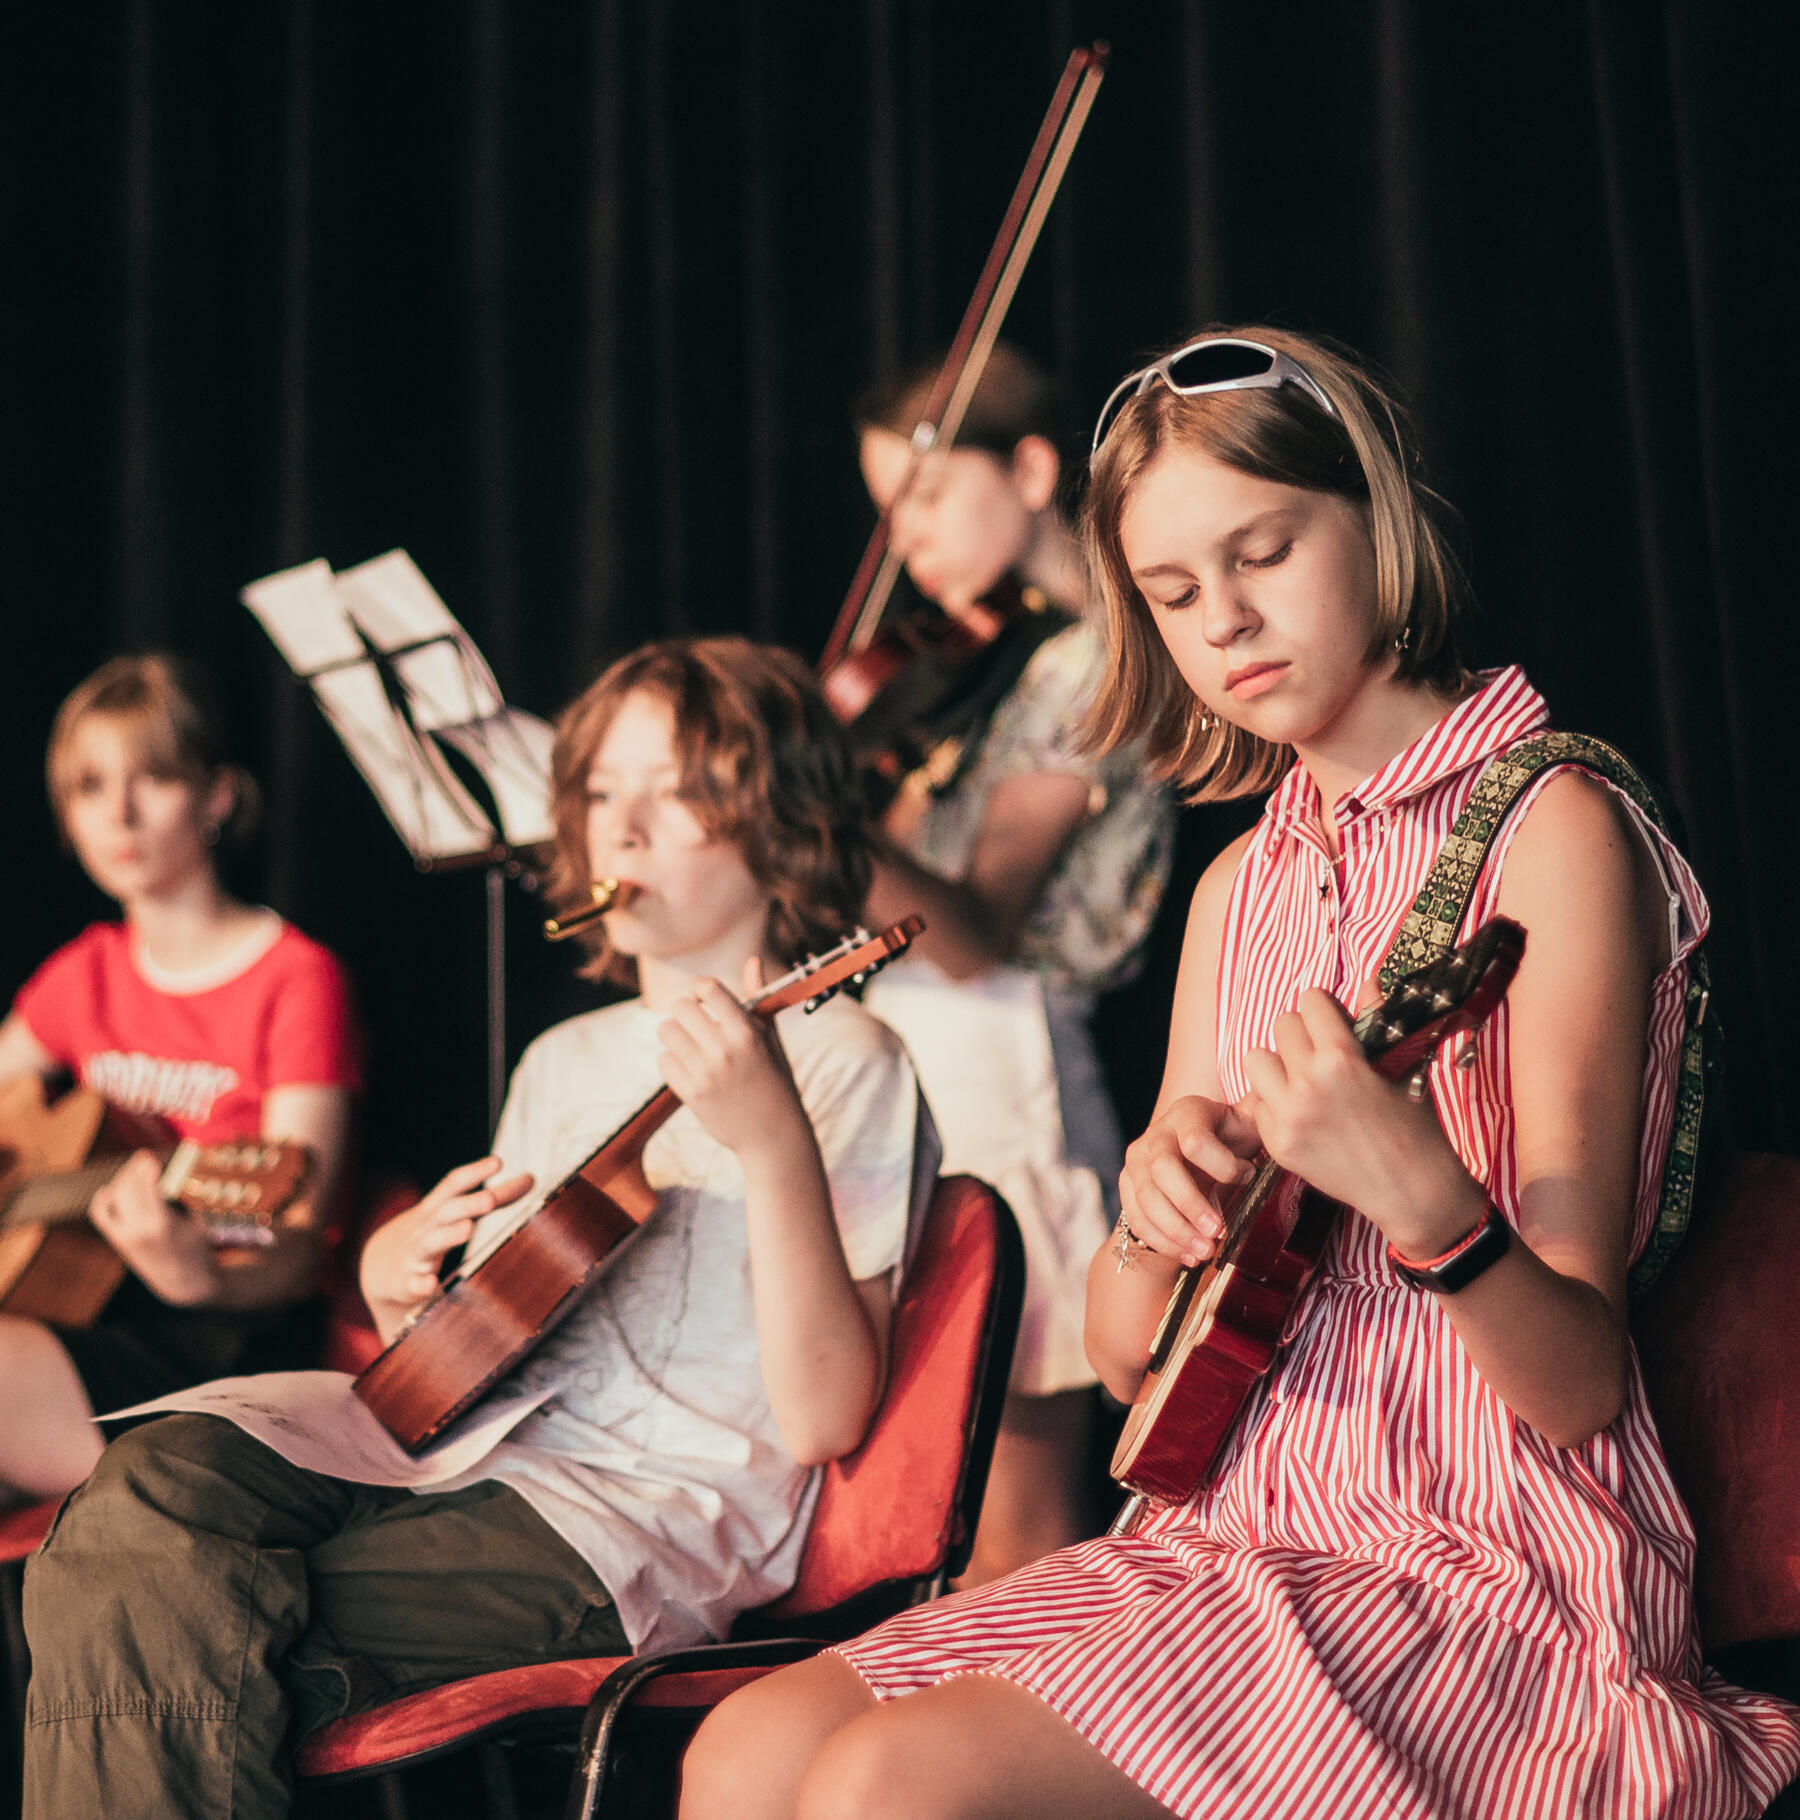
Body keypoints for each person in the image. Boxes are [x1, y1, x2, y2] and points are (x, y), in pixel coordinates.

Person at [679, 330, 1800, 1820]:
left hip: (1478, 1561)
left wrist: (1416, 1188)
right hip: (1227, 1530)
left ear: (1374, 521)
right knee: (743, 1754)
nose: (1227, 622)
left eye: (1262, 553)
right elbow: (1140, 1358)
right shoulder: (1239, 892)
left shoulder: (1554, 827)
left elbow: (1582, 1382)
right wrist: (1154, 1222)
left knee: (895, 1786)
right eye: (1174, 593)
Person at [21, 637, 935, 1820]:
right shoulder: (566, 1058)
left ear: (783, 820)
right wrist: (409, 1298)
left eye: (678, 792)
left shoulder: (842, 1058)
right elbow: (496, 1348)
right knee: (143, 1485)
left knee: (155, 1616)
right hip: (469, 1463)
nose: (625, 827)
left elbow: (822, 1414)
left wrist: (770, 1139)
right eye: (603, 791)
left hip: (641, 1523)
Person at [853, 344, 1176, 1579]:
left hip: (1012, 1061)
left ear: (1033, 467)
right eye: (889, 511)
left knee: (1017, 1524)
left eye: (925, 498)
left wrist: (818, 811)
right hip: (939, 1061)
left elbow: (979, 922)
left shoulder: (1094, 656)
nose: (904, 543)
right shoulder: (1004, 667)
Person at [0, 654, 359, 1506]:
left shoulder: (296, 977)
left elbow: (298, 1242)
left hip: (222, 1338)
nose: (118, 813)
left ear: (218, 796)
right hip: (83, 1315)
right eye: (89, 786)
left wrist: (204, 1278)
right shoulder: (81, 973)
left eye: (153, 776)